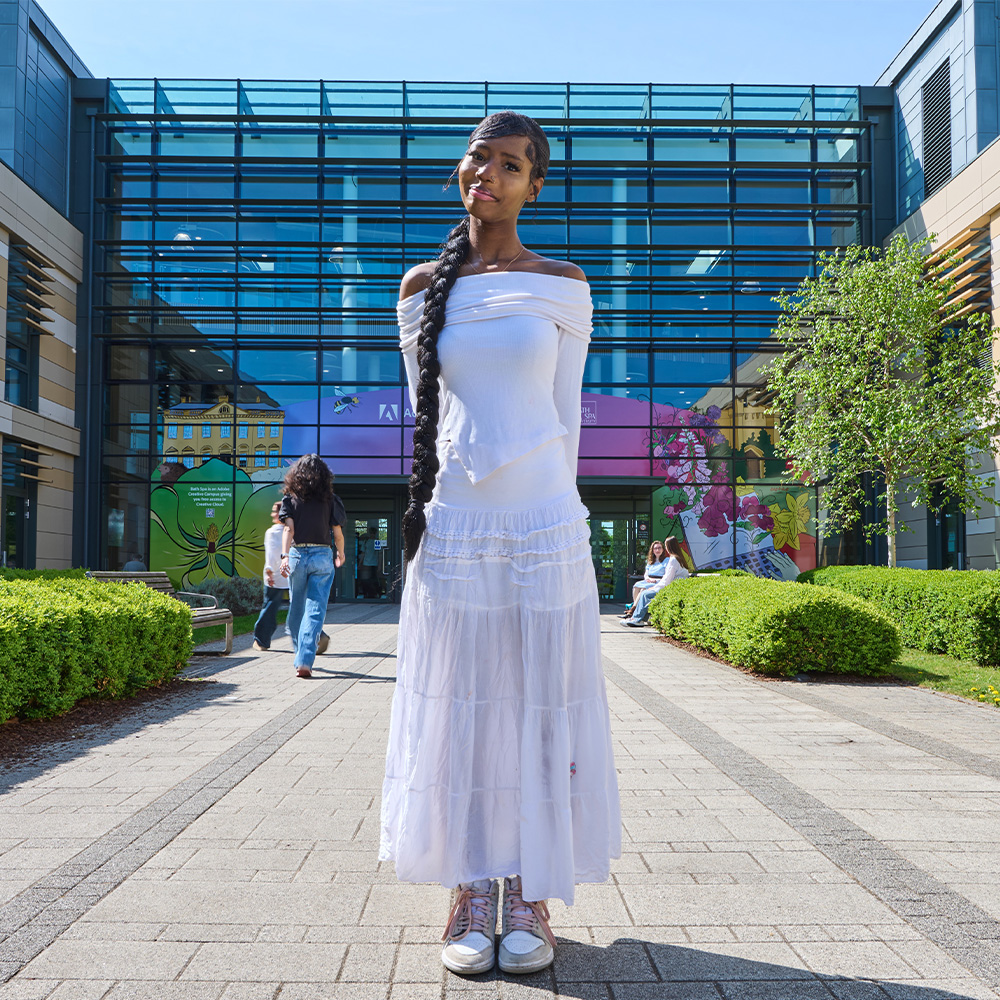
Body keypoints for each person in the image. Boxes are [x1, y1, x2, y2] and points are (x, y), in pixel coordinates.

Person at [380, 111, 621, 978]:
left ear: (535, 184)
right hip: (455, 530)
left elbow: (569, 419)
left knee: (538, 712)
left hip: (546, 527)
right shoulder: (419, 288)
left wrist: (563, 523)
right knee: (457, 714)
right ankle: (468, 887)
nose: (490, 172)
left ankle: (529, 893)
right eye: (480, 156)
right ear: (463, 167)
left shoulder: (563, 283)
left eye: (511, 164)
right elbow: (426, 421)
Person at [278, 455, 346, 678]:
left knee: (297, 607)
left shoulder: (290, 500)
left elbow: (288, 530)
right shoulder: (330, 500)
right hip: (322, 556)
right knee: (315, 609)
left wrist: (284, 557)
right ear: (324, 476)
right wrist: (341, 552)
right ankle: (305, 659)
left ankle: (300, 656)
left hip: (297, 555)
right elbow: (337, 533)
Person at [620, 536, 689, 627]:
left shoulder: (673, 560)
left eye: (665, 546)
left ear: (669, 547)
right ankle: (637, 618)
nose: (665, 549)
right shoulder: (677, 558)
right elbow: (666, 578)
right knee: (643, 591)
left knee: (645, 594)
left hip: (671, 587)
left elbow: (667, 580)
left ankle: (636, 619)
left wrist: (655, 587)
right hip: (671, 585)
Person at [621, 539, 667, 617]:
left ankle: (632, 610)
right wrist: (647, 578)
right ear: (652, 550)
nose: (657, 550)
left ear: (663, 549)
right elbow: (646, 573)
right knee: (636, 586)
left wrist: (654, 580)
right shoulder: (650, 561)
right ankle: (636, 608)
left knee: (643, 589)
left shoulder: (666, 560)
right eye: (655, 548)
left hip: (659, 580)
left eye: (659, 548)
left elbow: (666, 574)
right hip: (649, 580)